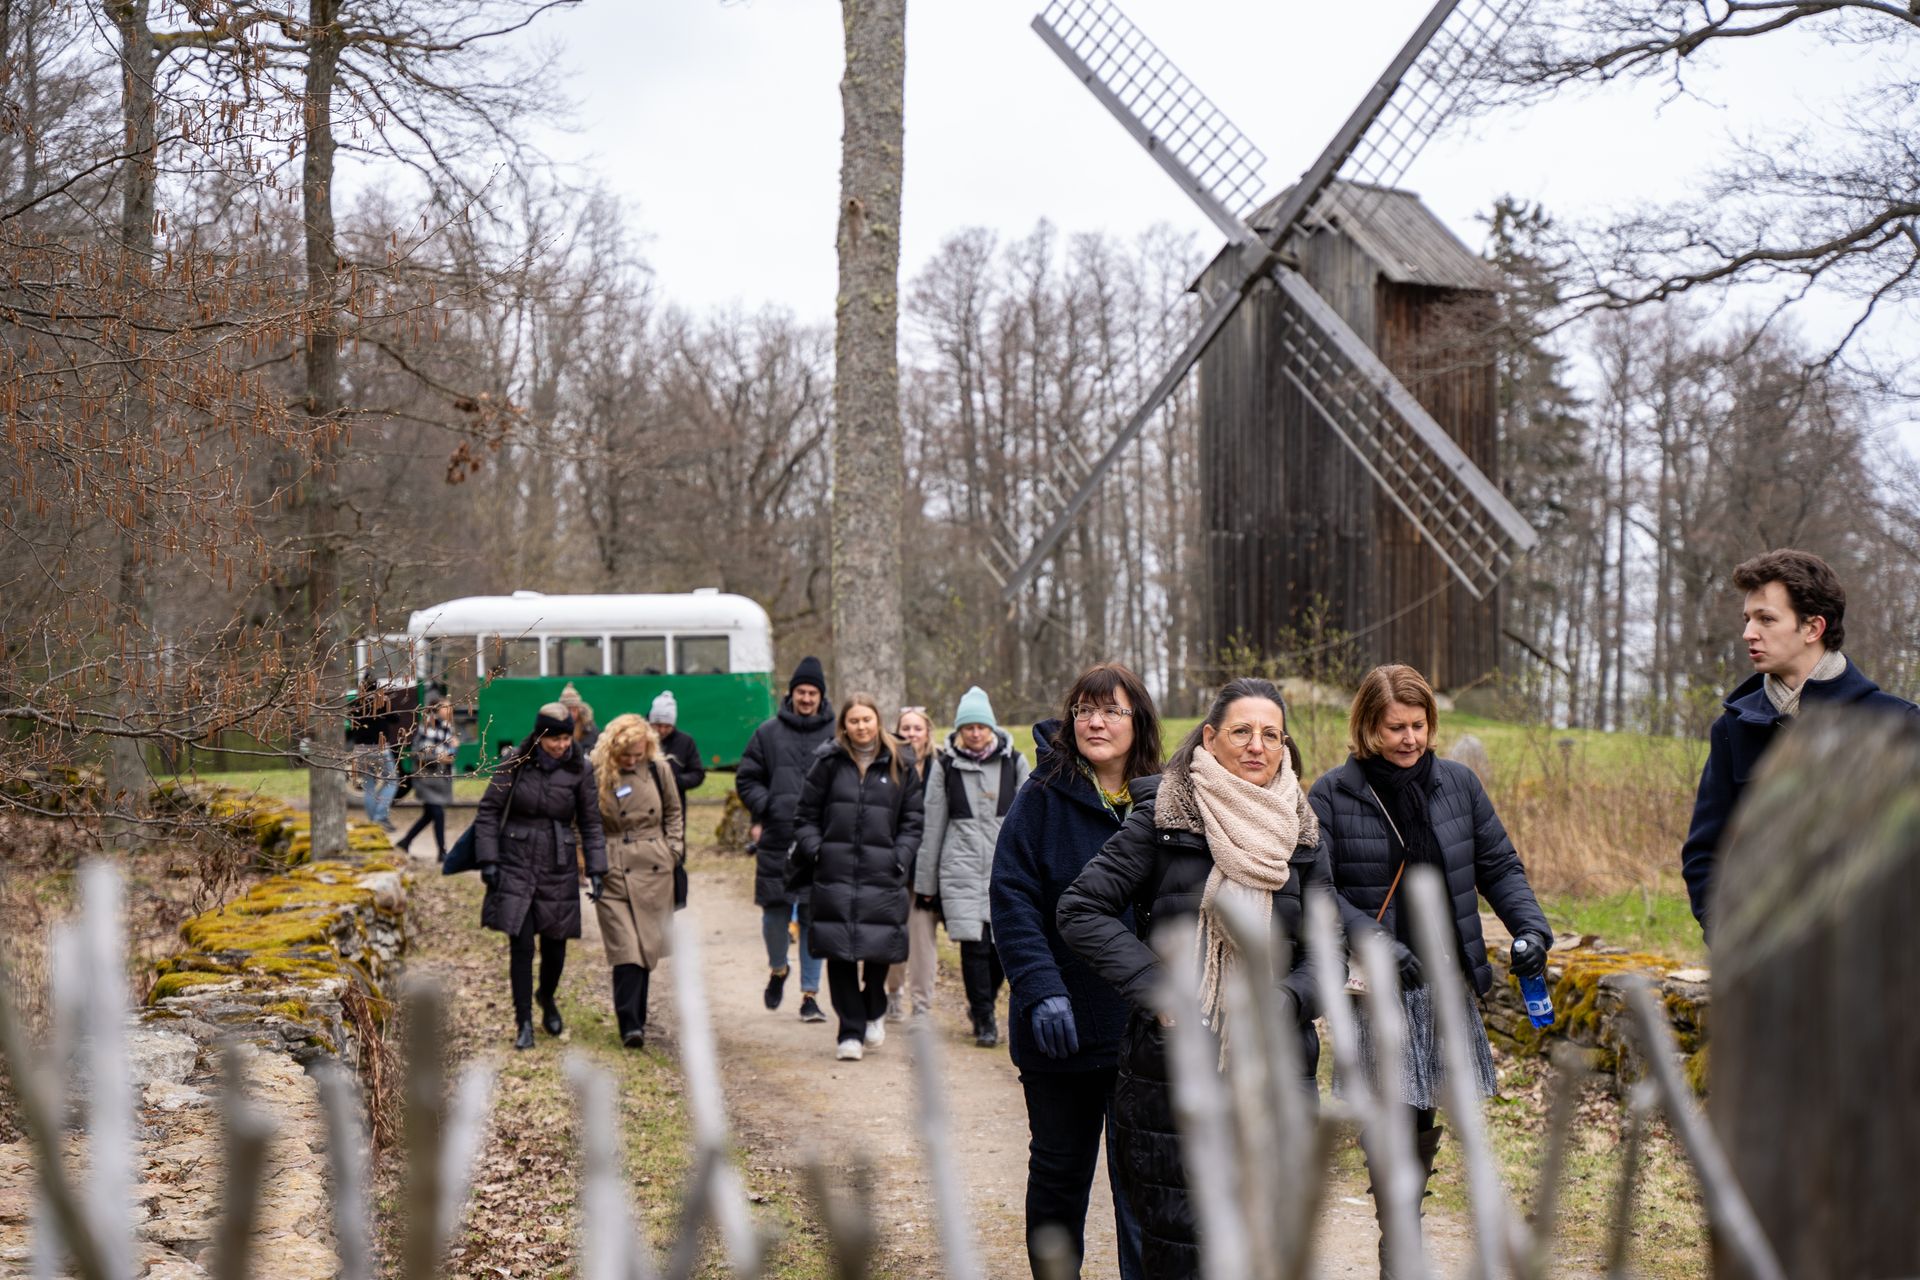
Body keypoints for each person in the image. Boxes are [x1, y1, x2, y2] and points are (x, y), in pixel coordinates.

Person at [1059, 676, 1327, 1280]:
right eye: (1241, 732)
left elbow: (1327, 948)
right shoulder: (1165, 813)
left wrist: (1284, 1000)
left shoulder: (1303, 832)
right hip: (1174, 1072)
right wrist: (1157, 987)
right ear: (1210, 737)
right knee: (1182, 1249)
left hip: (1277, 1068)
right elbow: (1080, 909)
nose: (1256, 745)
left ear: (1284, 747)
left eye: (1270, 734)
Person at [1309, 664, 1552, 1277]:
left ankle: (1405, 1229)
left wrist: (1530, 929)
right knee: (1387, 1114)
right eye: (1395, 727)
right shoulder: (1333, 794)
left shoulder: (1458, 785)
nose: (1410, 739)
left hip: (1440, 981)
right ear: (1367, 726)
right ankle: (1400, 1240)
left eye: (1419, 725)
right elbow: (1316, 887)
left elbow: (1498, 864)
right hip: (1376, 987)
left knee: (1420, 1115)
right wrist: (1372, 942)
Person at [991, 661, 1158, 1280]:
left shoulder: (1167, 801)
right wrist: (1039, 991)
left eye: (1112, 709)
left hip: (1143, 1029)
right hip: (1058, 1029)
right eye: (1085, 709)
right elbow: (1011, 901)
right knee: (1060, 1176)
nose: (1096, 721)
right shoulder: (1041, 798)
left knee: (1142, 1180)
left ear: (1136, 721)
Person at [1680, 548, 1918, 937]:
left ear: (1812, 628)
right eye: (1747, 619)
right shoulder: (1733, 728)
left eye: (1766, 619)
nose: (1748, 633)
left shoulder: (1897, 723)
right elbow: (1704, 854)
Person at [788, 693, 924, 1061]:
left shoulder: (900, 761)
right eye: (854, 721)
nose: (861, 726)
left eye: (867, 719)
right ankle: (849, 1030)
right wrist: (818, 850)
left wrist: (900, 856)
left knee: (880, 949)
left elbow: (913, 820)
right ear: (844, 725)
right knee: (839, 952)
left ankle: (874, 1010)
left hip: (883, 872)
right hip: (835, 872)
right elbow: (805, 816)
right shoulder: (828, 762)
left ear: (877, 721)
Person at [474, 701, 607, 1051]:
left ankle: (545, 996)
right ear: (539, 735)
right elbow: (488, 811)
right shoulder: (514, 762)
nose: (562, 745)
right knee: (520, 946)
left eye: (566, 738)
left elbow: (591, 823)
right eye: (554, 739)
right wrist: (488, 859)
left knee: (555, 948)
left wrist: (596, 868)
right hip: (515, 860)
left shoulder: (581, 768)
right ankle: (524, 1023)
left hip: (557, 864)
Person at [915, 686, 1030, 1047]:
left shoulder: (1014, 762)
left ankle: (985, 1003)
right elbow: (933, 824)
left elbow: (1030, 820)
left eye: (981, 726)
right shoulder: (945, 766)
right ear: (960, 730)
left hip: (1004, 869)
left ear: (991, 728)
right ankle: (983, 1017)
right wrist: (925, 884)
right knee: (974, 947)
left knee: (1001, 947)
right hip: (959, 869)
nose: (975, 733)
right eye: (969, 727)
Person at [735, 656, 835, 1022]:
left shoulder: (836, 733)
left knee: (812, 918)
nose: (806, 698)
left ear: (821, 696)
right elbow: (747, 778)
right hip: (777, 838)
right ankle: (778, 969)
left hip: (819, 843)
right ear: (790, 693)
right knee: (774, 915)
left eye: (812, 693)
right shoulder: (767, 733)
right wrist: (770, 807)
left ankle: (810, 995)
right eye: (800, 692)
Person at [588, 715, 685, 1050]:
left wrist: (673, 849)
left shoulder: (660, 771)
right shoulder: (596, 774)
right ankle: (630, 1024)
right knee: (625, 949)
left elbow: (674, 811)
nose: (631, 760)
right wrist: (589, 861)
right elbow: (582, 819)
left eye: (637, 754)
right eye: (626, 754)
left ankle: (637, 1022)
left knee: (645, 948)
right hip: (612, 867)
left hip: (655, 866)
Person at [886, 706, 937, 1022]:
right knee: (892, 933)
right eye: (905, 728)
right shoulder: (889, 764)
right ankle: (893, 994)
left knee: (922, 938)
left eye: (917, 728)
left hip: (926, 866)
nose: (910, 734)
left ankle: (921, 1004)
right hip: (892, 863)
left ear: (927, 733)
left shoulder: (940, 766)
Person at [397, 693, 458, 858]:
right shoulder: (426, 727)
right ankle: (442, 852)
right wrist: (440, 757)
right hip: (426, 777)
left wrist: (453, 750)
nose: (449, 710)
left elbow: (451, 751)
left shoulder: (447, 727)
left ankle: (405, 842)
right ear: (437, 710)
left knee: (429, 815)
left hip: (441, 778)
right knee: (437, 813)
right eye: (446, 707)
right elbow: (419, 752)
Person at [559, 682, 600, 753]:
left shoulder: (589, 728)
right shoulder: (554, 726)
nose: (571, 714)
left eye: (574, 710)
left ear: (579, 710)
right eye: (568, 709)